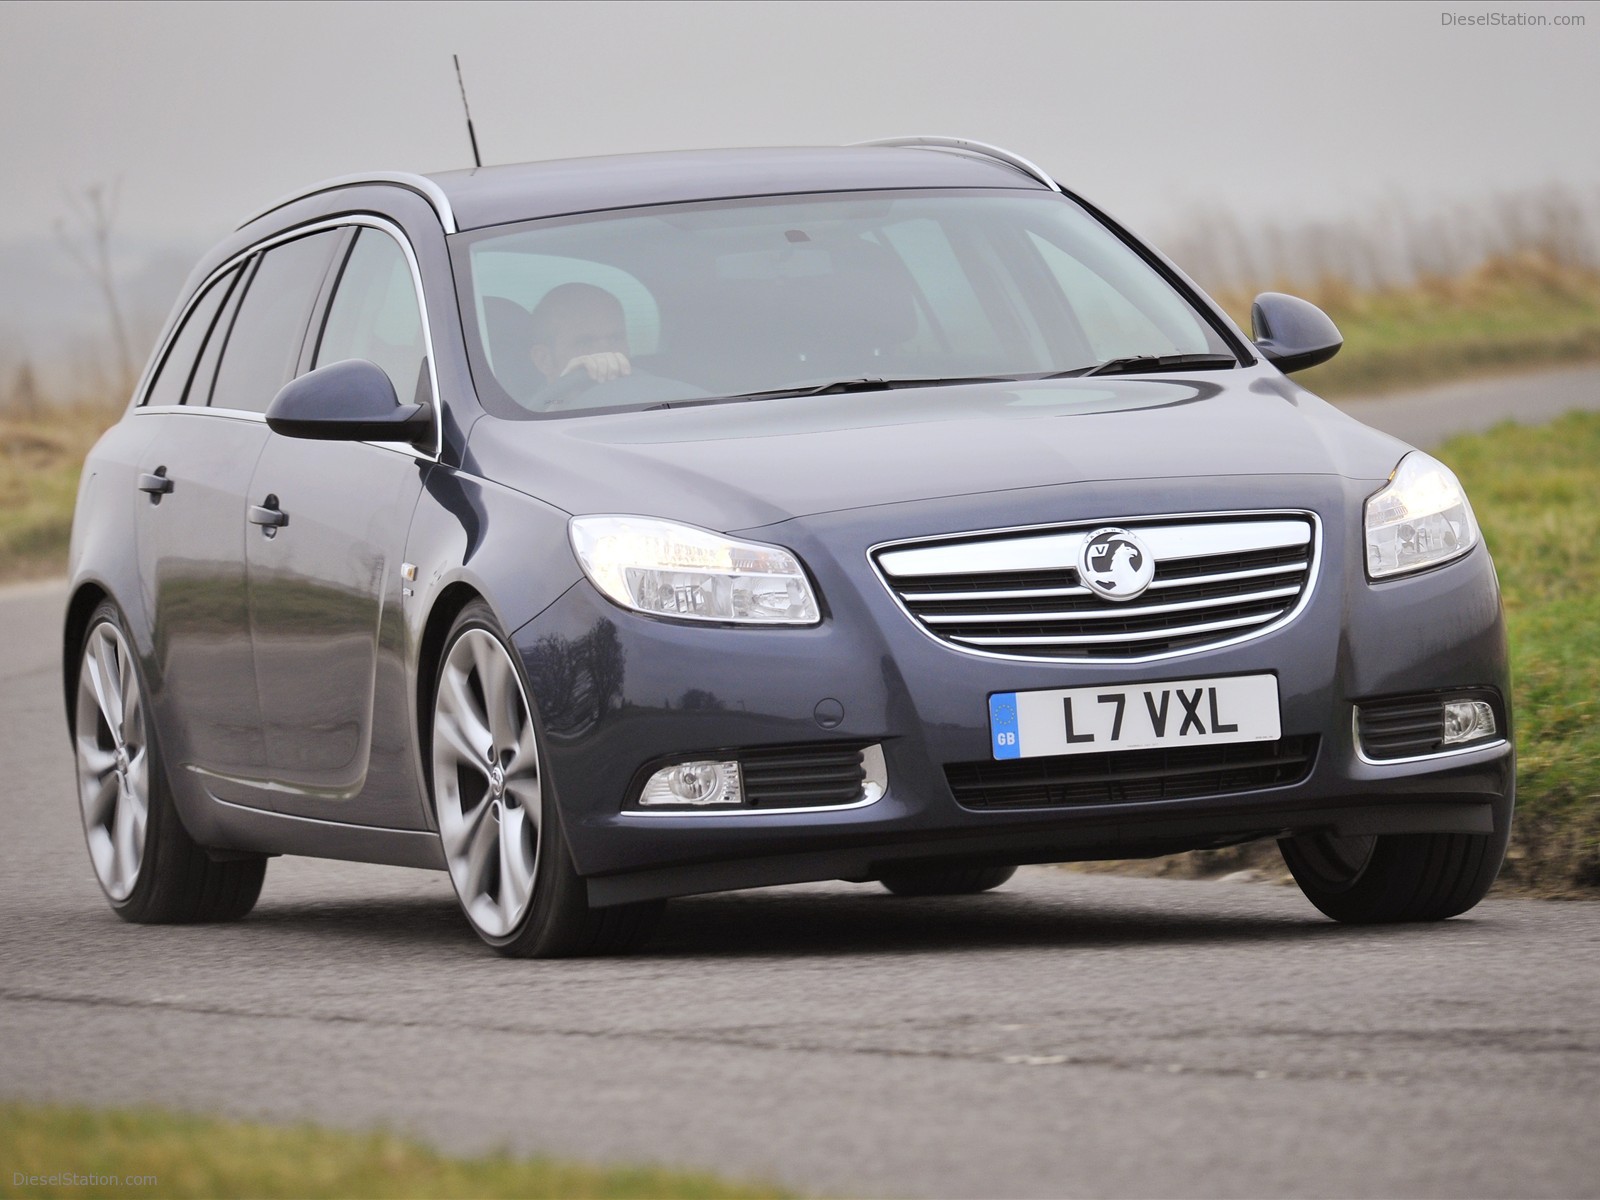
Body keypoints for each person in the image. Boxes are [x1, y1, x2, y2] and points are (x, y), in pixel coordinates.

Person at [528, 282, 631, 387]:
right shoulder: (537, 404)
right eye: (585, 343)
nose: (606, 354)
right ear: (544, 360)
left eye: (615, 339)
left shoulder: (646, 391)